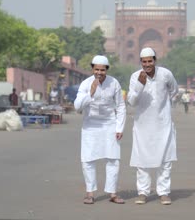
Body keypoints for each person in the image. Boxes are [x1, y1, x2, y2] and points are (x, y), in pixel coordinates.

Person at [127, 47, 178, 205]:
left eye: (150, 61)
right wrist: (140, 86)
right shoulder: (135, 77)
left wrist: (165, 109)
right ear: (140, 62)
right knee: (142, 160)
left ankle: (163, 192)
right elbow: (131, 101)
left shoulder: (166, 74)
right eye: (144, 62)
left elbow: (174, 90)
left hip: (163, 124)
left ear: (155, 60)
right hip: (143, 125)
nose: (147, 64)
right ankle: (143, 192)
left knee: (165, 160)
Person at [74, 55, 126, 205]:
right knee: (88, 159)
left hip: (109, 124)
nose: (99, 73)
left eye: (102, 70)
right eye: (96, 69)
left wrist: (119, 127)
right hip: (90, 126)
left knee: (113, 159)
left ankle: (112, 193)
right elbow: (77, 107)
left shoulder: (114, 83)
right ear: (92, 69)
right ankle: (90, 193)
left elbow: (121, 106)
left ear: (107, 70)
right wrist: (90, 92)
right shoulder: (85, 84)